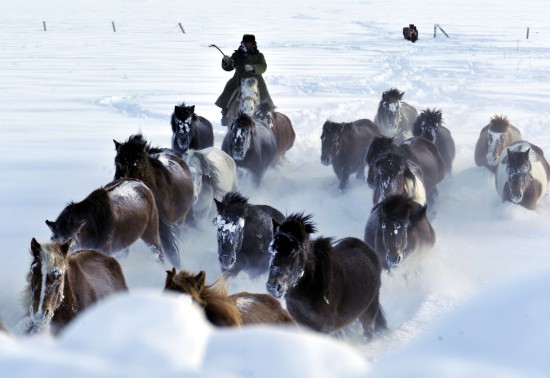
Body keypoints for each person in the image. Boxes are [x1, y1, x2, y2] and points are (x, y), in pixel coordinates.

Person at [215, 34, 274, 126]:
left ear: (253, 44)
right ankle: (225, 114)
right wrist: (226, 62)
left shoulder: (259, 55)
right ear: (243, 42)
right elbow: (229, 67)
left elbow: (263, 66)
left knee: (264, 97)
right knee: (228, 90)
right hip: (239, 78)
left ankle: (267, 114)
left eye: (249, 43)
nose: (247, 45)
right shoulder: (236, 54)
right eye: (246, 43)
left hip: (255, 80)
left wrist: (253, 68)